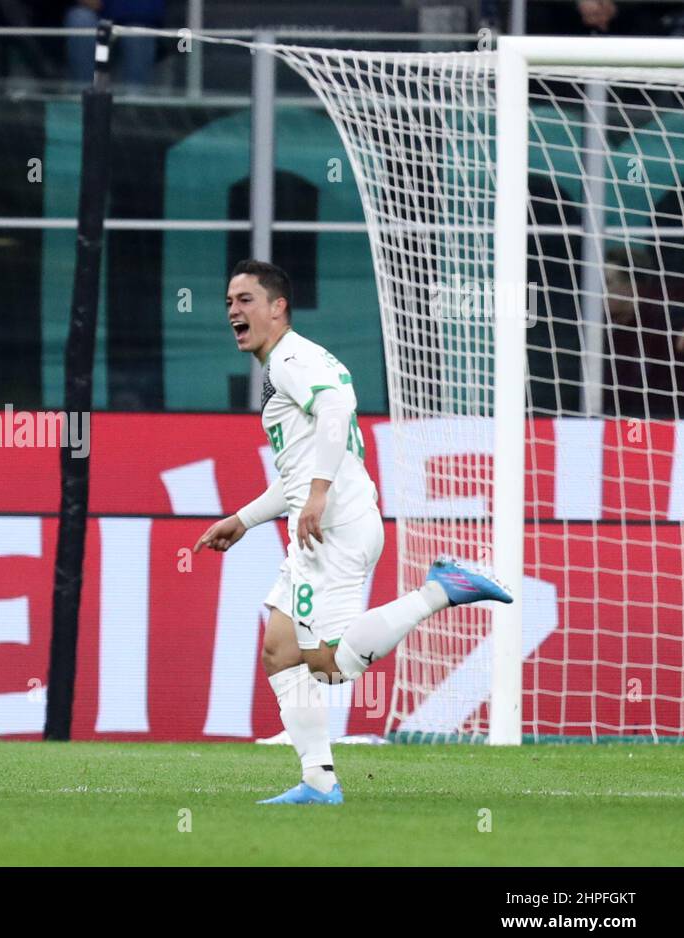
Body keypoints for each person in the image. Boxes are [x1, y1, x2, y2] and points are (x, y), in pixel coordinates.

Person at [194, 260, 513, 805]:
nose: (233, 312)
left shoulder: (290, 359)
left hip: (334, 529)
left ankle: (438, 592)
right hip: (330, 523)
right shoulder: (295, 360)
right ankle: (318, 782)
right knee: (280, 650)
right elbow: (297, 473)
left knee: (328, 665)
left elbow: (337, 408)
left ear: (278, 307)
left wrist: (318, 492)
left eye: (245, 300)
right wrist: (243, 520)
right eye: (228, 302)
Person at [602, 246, 684, 420]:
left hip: (668, 420)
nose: (600, 292)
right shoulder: (597, 329)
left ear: (632, 287)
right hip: (615, 420)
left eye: (607, 283)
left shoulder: (663, 319)